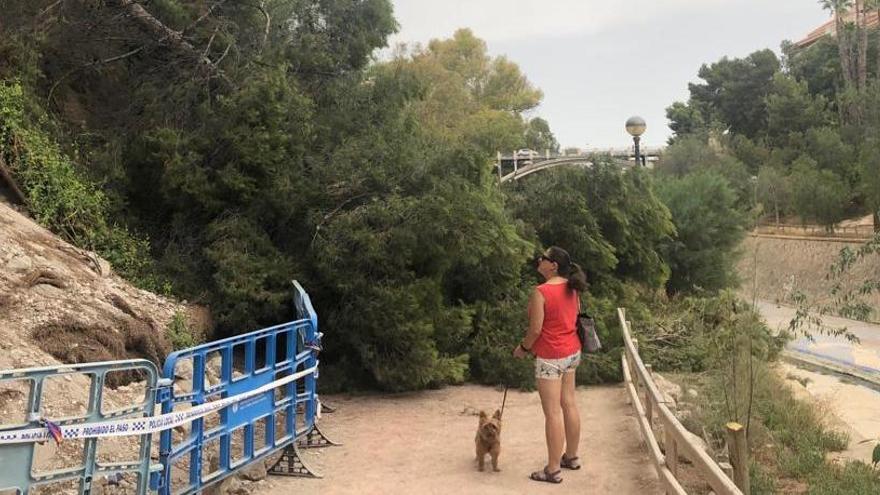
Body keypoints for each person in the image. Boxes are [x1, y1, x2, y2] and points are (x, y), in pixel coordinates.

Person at [513, 246, 588, 484]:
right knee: (569, 403)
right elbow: (574, 317)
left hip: (551, 356)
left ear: (553, 265)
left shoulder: (541, 291)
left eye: (543, 257)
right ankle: (571, 457)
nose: (539, 259)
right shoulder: (573, 288)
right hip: (572, 351)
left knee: (552, 412)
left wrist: (522, 349)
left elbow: (535, 330)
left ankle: (553, 469)